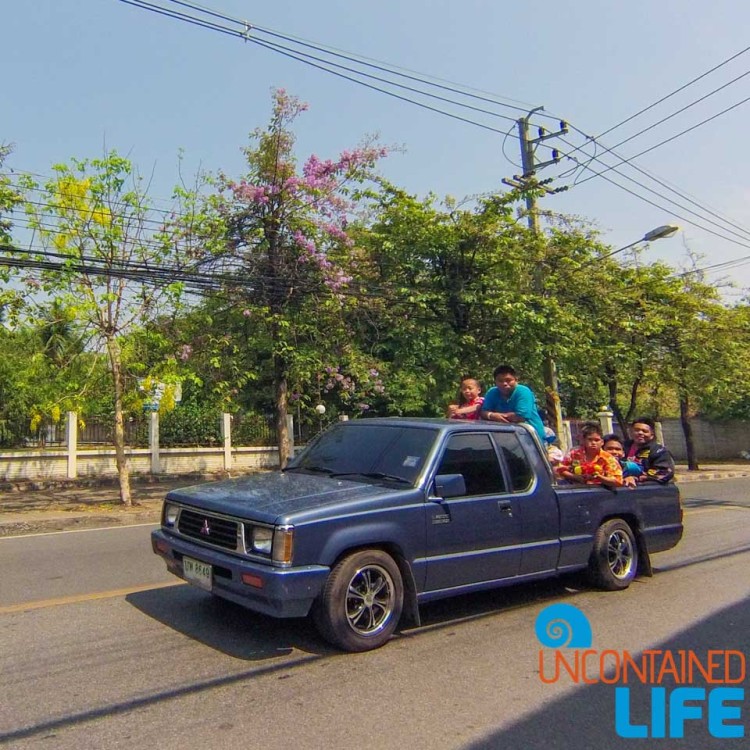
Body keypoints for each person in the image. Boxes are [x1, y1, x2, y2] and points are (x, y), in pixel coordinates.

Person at [480, 364, 546, 442]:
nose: (504, 383)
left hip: (529, 438)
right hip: (504, 437)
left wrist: (495, 416)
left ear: (516, 380)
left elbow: (521, 416)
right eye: (500, 381)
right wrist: (492, 415)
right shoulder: (492, 392)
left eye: (508, 380)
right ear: (495, 382)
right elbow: (483, 412)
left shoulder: (523, 391)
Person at [556, 421, 623, 488]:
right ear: (584, 440)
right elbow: (560, 470)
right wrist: (576, 477)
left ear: (602, 442)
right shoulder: (574, 454)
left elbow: (617, 481)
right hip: (575, 490)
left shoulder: (608, 458)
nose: (593, 443)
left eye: (597, 440)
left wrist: (598, 477)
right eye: (590, 440)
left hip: (600, 492)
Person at [623, 417, 675, 484]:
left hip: (647, 489)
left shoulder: (659, 451)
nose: (640, 433)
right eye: (636, 430)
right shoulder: (622, 447)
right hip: (621, 487)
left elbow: (664, 471)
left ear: (652, 435)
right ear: (631, 432)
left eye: (645, 431)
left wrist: (639, 478)